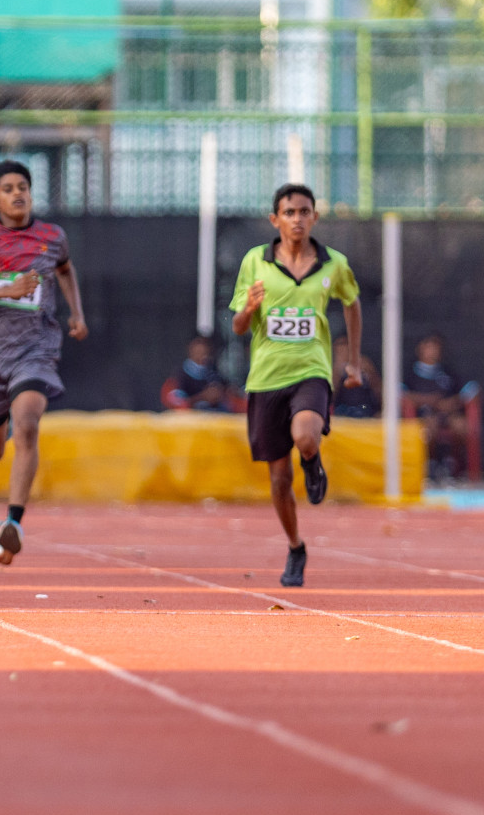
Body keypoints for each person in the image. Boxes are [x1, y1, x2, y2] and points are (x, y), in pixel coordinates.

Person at [0, 160, 87, 566]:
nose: (17, 193)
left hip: (35, 350)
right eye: (8, 188)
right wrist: (3, 289)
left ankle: (14, 524)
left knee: (28, 425)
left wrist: (76, 313)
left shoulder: (52, 236)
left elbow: (65, 269)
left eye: (23, 186)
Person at [231, 183, 363, 588]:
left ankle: (312, 459)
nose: (297, 219)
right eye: (289, 212)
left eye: (304, 211)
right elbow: (237, 326)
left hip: (311, 370)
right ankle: (295, 546)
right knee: (278, 480)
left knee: (305, 436)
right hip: (267, 377)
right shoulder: (255, 262)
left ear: (314, 217)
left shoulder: (333, 264)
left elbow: (352, 304)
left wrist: (353, 360)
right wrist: (250, 308)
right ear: (275, 220)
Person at [403, 334, 475, 478]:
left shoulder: (447, 372)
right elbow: (401, 394)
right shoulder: (410, 373)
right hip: (422, 415)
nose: (433, 351)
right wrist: (430, 401)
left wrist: (451, 403)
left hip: (447, 415)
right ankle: (431, 463)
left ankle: (454, 463)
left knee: (462, 425)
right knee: (430, 426)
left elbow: (471, 390)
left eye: (436, 347)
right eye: (429, 347)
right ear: (420, 349)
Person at [163, 335, 241, 412]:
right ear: (190, 349)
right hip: (192, 422)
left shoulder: (214, 373)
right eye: (198, 349)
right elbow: (175, 405)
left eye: (206, 347)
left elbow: (234, 400)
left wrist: (226, 394)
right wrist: (202, 397)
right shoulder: (179, 376)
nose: (203, 351)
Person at [330, 334, 381, 419]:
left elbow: (380, 395)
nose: (344, 351)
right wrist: (337, 372)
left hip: (365, 411)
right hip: (341, 413)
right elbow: (328, 398)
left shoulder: (365, 365)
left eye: (347, 346)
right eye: (340, 347)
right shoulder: (332, 370)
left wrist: (370, 374)